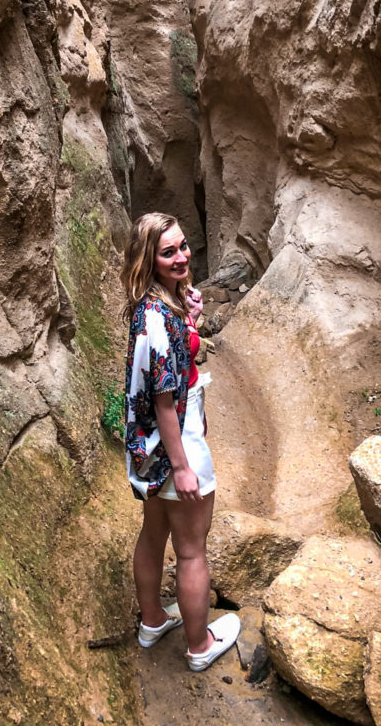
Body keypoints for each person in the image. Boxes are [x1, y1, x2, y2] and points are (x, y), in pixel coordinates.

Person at [121, 212, 240, 672]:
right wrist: (184, 465)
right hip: (174, 442)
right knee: (191, 549)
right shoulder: (157, 319)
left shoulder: (153, 307)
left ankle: (153, 621)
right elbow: (165, 401)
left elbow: (171, 360)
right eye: (168, 252)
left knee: (154, 533)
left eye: (184, 246)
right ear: (148, 259)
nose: (182, 257)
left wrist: (190, 318)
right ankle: (199, 646)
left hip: (148, 448)